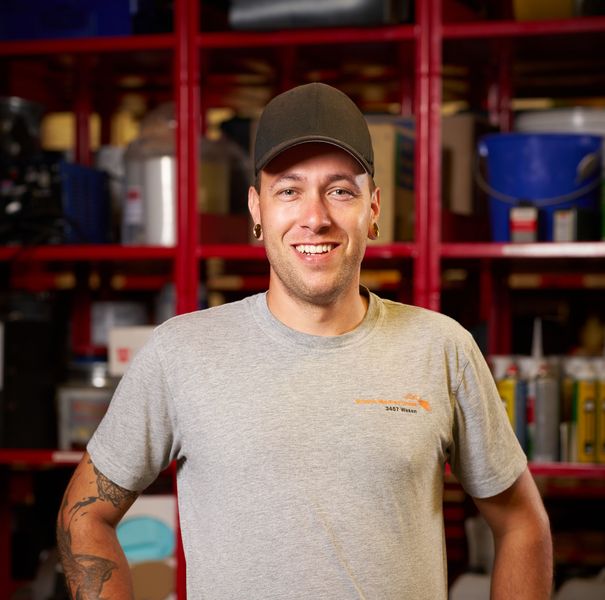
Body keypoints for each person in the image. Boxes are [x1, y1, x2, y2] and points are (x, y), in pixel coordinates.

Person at [57, 82, 553, 599]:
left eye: (340, 191)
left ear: (373, 208)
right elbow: (84, 516)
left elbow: (522, 523)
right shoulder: (180, 353)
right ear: (256, 209)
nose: (315, 218)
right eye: (289, 191)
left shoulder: (441, 348)